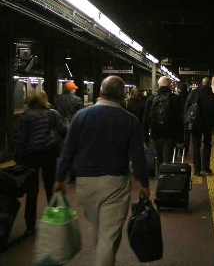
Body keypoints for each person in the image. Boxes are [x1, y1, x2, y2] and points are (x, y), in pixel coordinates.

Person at [53, 76, 150, 266]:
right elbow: (138, 156)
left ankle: (102, 256)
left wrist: (59, 178)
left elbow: (68, 151)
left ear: (99, 93)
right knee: (108, 235)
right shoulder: (130, 120)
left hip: (86, 183)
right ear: (122, 97)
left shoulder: (81, 116)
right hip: (115, 183)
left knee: (98, 229)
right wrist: (144, 183)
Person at [16, 89, 67, 235]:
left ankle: (30, 226)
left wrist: (19, 158)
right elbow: (63, 130)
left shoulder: (26, 116)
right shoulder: (52, 114)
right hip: (48, 154)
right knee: (51, 187)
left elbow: (22, 139)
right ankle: (55, 219)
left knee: (32, 191)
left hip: (30, 156)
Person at [143, 77, 184, 172]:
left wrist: (145, 138)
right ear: (168, 84)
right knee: (167, 161)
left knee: (158, 159)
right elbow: (179, 121)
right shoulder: (175, 99)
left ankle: (159, 180)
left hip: (155, 135)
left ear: (159, 84)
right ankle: (165, 180)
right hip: (169, 135)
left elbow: (145, 119)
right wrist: (180, 140)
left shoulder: (151, 98)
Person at [185, 77, 214, 177]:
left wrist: (187, 122)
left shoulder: (194, 93)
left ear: (202, 83)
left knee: (196, 146)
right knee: (207, 145)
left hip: (195, 124)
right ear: (210, 84)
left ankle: (196, 170)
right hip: (207, 126)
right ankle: (206, 167)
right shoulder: (213, 96)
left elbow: (187, 107)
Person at [53, 81, 84, 183]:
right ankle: (73, 174)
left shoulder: (56, 99)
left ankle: (60, 173)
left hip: (60, 128)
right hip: (73, 127)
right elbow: (80, 115)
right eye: (74, 89)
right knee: (74, 151)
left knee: (62, 151)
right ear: (72, 90)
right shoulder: (78, 100)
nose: (75, 90)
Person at [177, 83, 190, 155]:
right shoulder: (189, 96)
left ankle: (179, 149)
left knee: (180, 134)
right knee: (187, 135)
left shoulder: (178, 97)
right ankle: (185, 150)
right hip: (188, 119)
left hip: (179, 119)